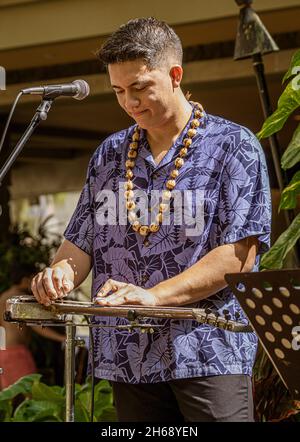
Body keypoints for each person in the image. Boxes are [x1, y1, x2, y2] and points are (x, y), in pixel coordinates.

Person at [31, 17, 271, 422]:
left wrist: (153, 297)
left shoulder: (233, 146)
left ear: (175, 74)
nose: (129, 102)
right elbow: (80, 242)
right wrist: (60, 273)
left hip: (207, 353)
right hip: (127, 356)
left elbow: (238, 256)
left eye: (140, 88)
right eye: (119, 91)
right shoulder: (109, 155)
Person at [0, 264, 65, 390]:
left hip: (3, 351)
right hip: (17, 353)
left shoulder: (4, 297)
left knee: (9, 398)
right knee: (32, 393)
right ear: (24, 280)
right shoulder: (19, 299)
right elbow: (34, 325)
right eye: (32, 280)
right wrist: (61, 338)